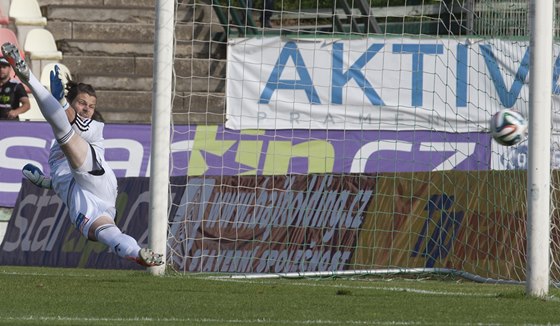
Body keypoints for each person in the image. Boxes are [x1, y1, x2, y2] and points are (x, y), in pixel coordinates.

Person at [2, 42, 164, 268]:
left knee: (63, 130)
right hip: (86, 200)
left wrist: (59, 102)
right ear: (73, 102)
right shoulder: (56, 155)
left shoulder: (94, 125)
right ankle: (138, 253)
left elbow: (70, 123)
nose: (87, 108)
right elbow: (64, 179)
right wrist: (45, 182)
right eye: (82, 103)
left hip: (96, 178)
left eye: (91, 105)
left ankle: (27, 75)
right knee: (109, 234)